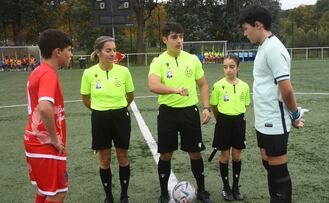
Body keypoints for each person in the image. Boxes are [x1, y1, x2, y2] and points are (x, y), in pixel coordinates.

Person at [240, 5, 305, 203]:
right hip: (263, 121)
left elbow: (286, 89)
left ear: (258, 25)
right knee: (269, 165)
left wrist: (295, 115)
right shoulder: (264, 47)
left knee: (278, 171)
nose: (245, 33)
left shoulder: (275, 49)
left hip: (275, 122)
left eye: (246, 28)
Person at [148, 22, 214, 203]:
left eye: (181, 37)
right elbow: (153, 85)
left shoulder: (192, 59)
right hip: (168, 113)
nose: (179, 41)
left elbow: (203, 84)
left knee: (195, 152)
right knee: (165, 154)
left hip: (189, 112)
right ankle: (163, 193)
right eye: (174, 37)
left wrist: (206, 107)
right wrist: (175, 90)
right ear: (165, 39)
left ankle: (201, 190)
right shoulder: (158, 62)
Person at [80, 36, 135, 203]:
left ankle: (124, 195)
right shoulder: (89, 73)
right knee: (104, 159)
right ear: (98, 52)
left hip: (120, 116)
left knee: (122, 156)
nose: (112, 53)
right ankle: (109, 196)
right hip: (99, 118)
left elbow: (130, 96)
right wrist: (100, 110)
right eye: (108, 50)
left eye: (114, 50)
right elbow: (86, 99)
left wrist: (118, 107)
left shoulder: (124, 71)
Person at [24, 29, 72, 203]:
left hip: (34, 141)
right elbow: (44, 108)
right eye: (69, 50)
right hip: (44, 145)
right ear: (58, 52)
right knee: (58, 193)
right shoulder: (48, 74)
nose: (70, 54)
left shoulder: (38, 71)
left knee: (44, 190)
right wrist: (54, 139)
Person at [210, 54, 250, 201]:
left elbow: (245, 105)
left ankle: (235, 187)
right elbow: (214, 106)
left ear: (238, 67)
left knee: (237, 156)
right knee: (225, 156)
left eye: (231, 67)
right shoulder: (218, 85)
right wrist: (221, 120)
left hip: (239, 122)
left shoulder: (245, 86)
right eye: (225, 67)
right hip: (223, 122)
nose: (228, 70)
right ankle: (226, 187)